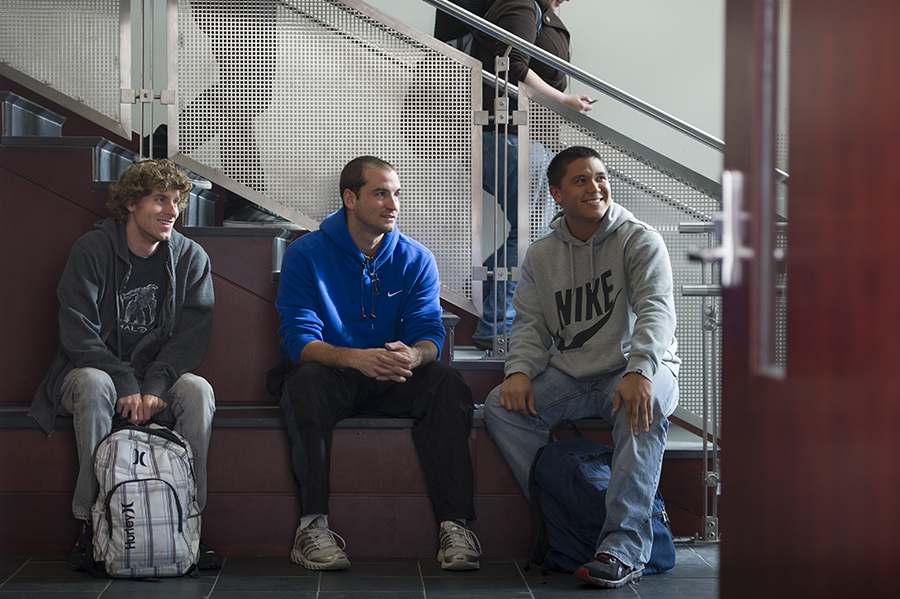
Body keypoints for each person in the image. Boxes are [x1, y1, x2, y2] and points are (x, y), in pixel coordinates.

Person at [483, 146, 680, 588]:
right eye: (581, 180)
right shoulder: (541, 254)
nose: (596, 187)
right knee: (500, 405)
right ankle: (571, 512)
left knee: (640, 410)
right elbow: (530, 324)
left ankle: (623, 548)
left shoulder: (639, 238)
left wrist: (640, 371)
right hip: (575, 373)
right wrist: (518, 370)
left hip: (640, 366)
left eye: (601, 177)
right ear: (556, 193)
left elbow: (656, 312)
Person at [271, 156, 480, 572]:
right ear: (350, 198)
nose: (393, 203)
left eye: (396, 193)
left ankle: (455, 527)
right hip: (332, 376)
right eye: (380, 193)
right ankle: (312, 527)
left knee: (446, 383)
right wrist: (357, 359)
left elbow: (430, 334)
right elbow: (298, 339)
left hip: (391, 375)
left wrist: (412, 355)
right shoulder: (306, 254)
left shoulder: (416, 258)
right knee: (303, 382)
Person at [28, 159, 221, 571]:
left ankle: (189, 523)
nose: (172, 211)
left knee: (198, 391)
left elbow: (191, 338)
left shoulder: (190, 258)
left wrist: (152, 385)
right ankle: (92, 525)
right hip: (88, 373)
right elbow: (77, 332)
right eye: (159, 200)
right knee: (97, 383)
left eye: (176, 202)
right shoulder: (92, 250)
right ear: (132, 203)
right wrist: (123, 379)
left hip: (155, 380)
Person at [472, 0, 593, 350]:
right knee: (529, 234)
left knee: (527, 232)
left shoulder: (533, 8)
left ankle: (490, 307)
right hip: (508, 134)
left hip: (515, 137)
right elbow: (511, 64)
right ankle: (499, 326)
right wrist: (563, 99)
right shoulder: (523, 4)